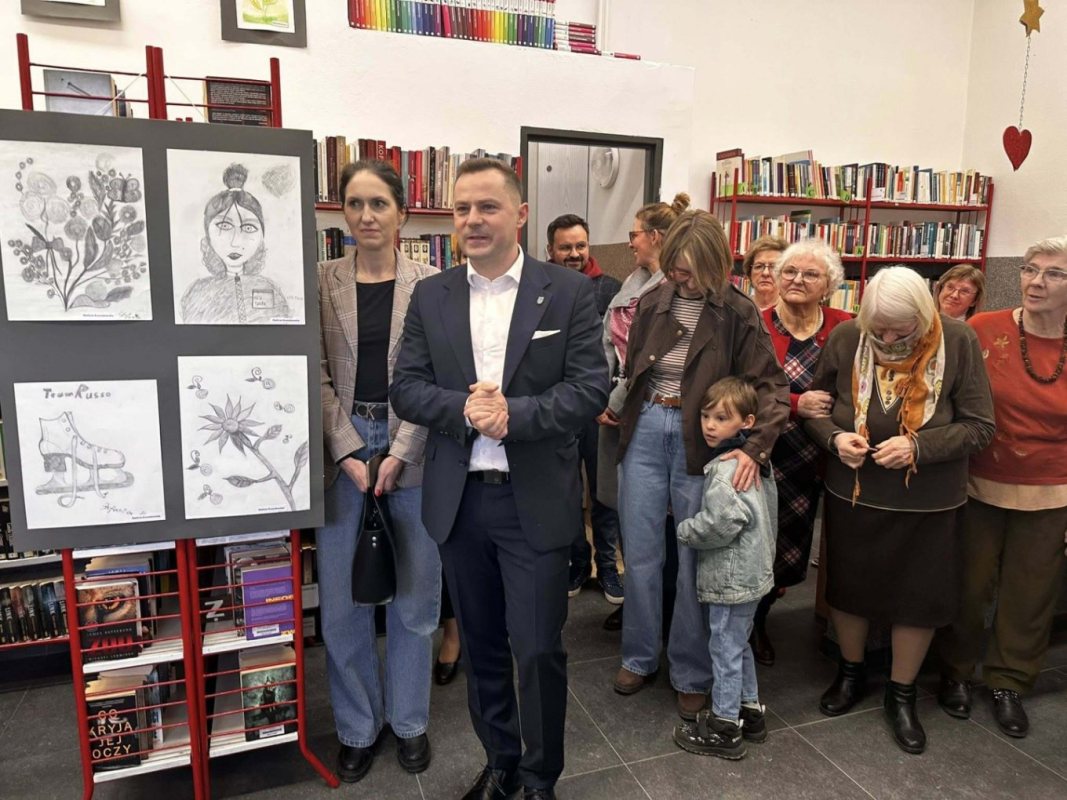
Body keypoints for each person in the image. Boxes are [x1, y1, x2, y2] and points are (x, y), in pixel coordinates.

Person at [391, 158, 609, 800]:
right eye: (462, 209)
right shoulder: (432, 295)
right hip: (460, 504)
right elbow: (406, 388)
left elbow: (590, 388)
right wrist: (464, 408)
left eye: (488, 206)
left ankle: (540, 777)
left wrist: (516, 414)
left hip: (532, 502)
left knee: (537, 648)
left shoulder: (567, 292)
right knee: (482, 646)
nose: (473, 220)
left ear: (520, 214)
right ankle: (501, 761)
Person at [805, 266, 994, 755]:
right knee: (848, 588)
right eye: (880, 330)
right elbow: (815, 408)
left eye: (901, 331)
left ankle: (902, 692)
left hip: (928, 500)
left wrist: (918, 447)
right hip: (854, 492)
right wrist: (833, 438)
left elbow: (980, 426)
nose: (888, 340)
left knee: (918, 597)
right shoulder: (847, 336)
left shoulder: (958, 340)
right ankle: (850, 673)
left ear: (925, 316)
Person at [612, 210, 789, 724]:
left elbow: (772, 386)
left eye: (688, 271)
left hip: (704, 437)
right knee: (640, 554)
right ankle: (638, 656)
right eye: (673, 268)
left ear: (713, 264)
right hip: (647, 427)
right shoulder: (654, 300)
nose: (679, 278)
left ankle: (691, 672)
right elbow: (633, 368)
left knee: (695, 559)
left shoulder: (737, 310)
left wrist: (755, 448)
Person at [317, 160, 441, 782]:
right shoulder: (320, 281)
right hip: (342, 447)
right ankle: (358, 728)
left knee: (415, 598)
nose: (366, 215)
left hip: (413, 447)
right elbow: (311, 372)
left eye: (379, 204)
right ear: (342, 211)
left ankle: (410, 722)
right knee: (344, 603)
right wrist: (345, 450)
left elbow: (442, 376)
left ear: (403, 214)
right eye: (355, 203)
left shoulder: (434, 286)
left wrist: (401, 450)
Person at [936, 237, 1067, 739]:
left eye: (1053, 274)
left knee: (1030, 594)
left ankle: (1009, 682)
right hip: (978, 481)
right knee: (968, 585)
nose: (1036, 282)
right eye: (1030, 269)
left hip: (1051, 490)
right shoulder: (982, 329)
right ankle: (955, 671)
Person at [751, 239, 851, 667]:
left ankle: (766, 612)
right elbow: (741, 388)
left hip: (816, 458)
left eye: (811, 274)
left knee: (792, 548)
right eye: (789, 271)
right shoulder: (755, 324)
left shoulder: (846, 327)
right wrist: (796, 403)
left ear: (828, 284)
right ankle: (752, 624)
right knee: (757, 543)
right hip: (764, 454)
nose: (797, 280)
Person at [598, 193, 690, 632]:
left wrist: (615, 399)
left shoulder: (675, 292)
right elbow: (610, 348)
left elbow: (649, 359)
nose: (630, 242)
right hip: (618, 410)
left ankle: (666, 607)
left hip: (654, 411)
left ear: (655, 236)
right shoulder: (630, 287)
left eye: (634, 234)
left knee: (668, 522)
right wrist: (601, 397)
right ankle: (639, 607)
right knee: (630, 515)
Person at [672, 377, 777, 760]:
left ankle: (725, 725)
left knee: (724, 648)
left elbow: (722, 521)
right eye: (706, 416)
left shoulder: (723, 468)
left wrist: (686, 529)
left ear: (747, 422)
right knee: (739, 643)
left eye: (721, 418)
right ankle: (750, 711)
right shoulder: (758, 464)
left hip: (731, 577)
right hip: (754, 572)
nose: (710, 425)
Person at [545, 213, 623, 603]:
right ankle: (577, 561)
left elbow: (622, 352)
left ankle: (607, 565)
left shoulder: (612, 289)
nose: (574, 253)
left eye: (581, 245)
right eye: (565, 247)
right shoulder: (539, 289)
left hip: (601, 410)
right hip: (557, 409)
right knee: (565, 491)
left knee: (604, 490)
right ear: (550, 250)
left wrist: (609, 399)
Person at [181, 163, 291, 323]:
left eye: (248, 227)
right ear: (208, 234)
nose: (236, 242)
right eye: (224, 226)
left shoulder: (270, 290)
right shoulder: (196, 294)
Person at [741, 235, 789, 311]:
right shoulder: (738, 309)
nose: (765, 273)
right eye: (759, 266)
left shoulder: (792, 312)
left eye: (773, 267)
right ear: (750, 272)